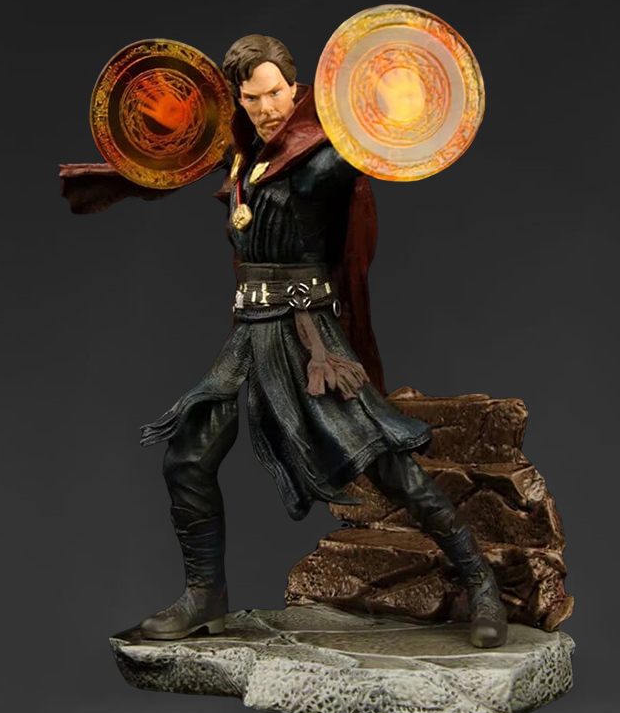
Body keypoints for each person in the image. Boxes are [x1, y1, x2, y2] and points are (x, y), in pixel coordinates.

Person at [61, 35, 508, 649]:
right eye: (252, 98)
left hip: (308, 338)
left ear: (296, 88)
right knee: (188, 455)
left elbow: (373, 145)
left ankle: (482, 583)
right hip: (250, 333)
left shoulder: (324, 156)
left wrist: (398, 103)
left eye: (276, 93)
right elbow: (178, 148)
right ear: (237, 99)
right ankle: (205, 596)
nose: (267, 107)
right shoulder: (245, 158)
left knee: (385, 463)